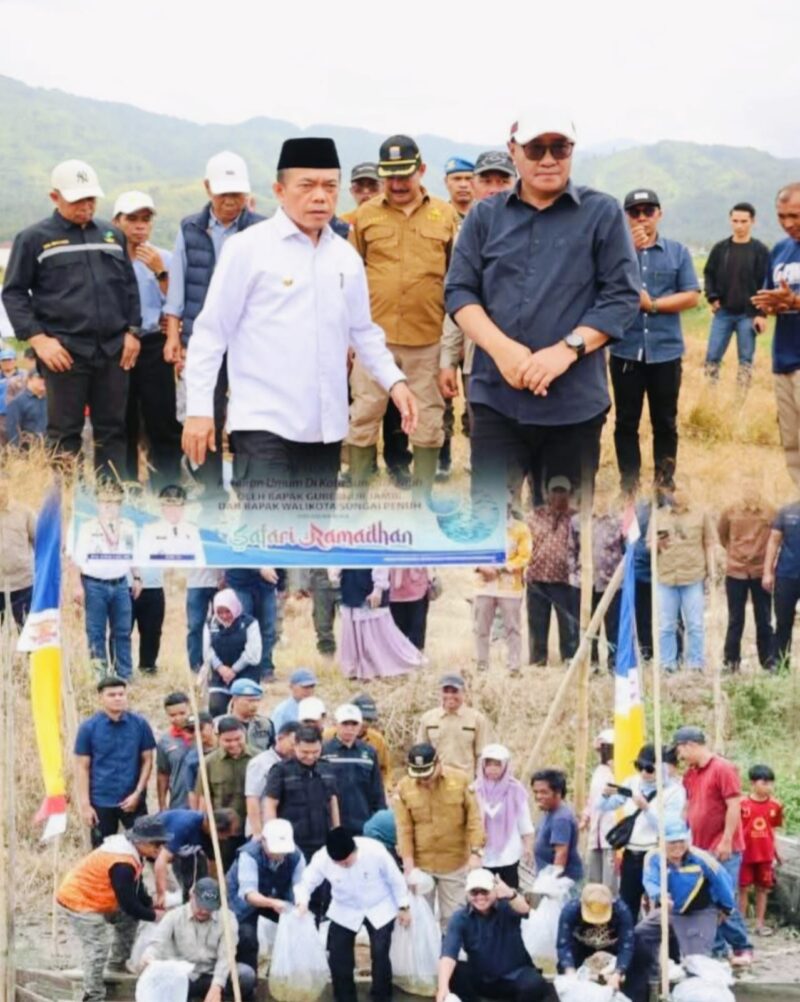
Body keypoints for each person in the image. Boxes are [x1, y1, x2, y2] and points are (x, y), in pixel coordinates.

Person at [182, 137, 415, 507]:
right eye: (307, 186)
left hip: (324, 425)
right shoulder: (247, 248)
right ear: (279, 190)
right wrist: (199, 410)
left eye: (329, 186)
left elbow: (363, 331)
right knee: (270, 536)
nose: (320, 197)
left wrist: (396, 382)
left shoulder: (345, 257)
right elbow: (211, 334)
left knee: (312, 540)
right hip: (262, 422)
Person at [444, 113, 639, 497]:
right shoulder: (485, 216)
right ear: (513, 151)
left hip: (573, 404)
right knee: (492, 529)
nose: (548, 159)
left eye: (560, 148)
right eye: (536, 149)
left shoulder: (602, 213)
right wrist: (503, 351)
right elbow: (459, 291)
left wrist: (566, 351)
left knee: (560, 537)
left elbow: (621, 296)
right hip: (496, 399)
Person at [2, 159, 141, 476]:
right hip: (64, 353)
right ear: (55, 197)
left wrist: (132, 331)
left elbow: (129, 287)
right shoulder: (34, 238)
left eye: (91, 198)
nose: (86, 206)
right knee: (64, 435)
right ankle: (67, 507)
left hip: (112, 351)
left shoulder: (111, 234)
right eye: (78, 199)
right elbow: (13, 293)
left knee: (112, 429)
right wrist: (38, 339)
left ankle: (109, 504)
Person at [347, 134, 457, 497]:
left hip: (426, 339)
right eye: (389, 176)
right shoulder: (365, 216)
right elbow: (351, 277)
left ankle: (422, 500)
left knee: (428, 417)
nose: (396, 184)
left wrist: (448, 353)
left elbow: (456, 279)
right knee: (364, 414)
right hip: (373, 339)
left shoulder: (446, 215)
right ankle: (360, 493)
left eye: (404, 176)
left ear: (421, 170)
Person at [164, 151, 264, 493]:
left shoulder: (262, 229)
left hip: (250, 339)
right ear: (208, 188)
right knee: (205, 408)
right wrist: (173, 335)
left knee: (250, 411)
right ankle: (210, 489)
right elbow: (177, 286)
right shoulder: (189, 228)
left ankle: (247, 482)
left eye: (237, 194)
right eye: (224, 194)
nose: (231, 201)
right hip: (202, 337)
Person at [609, 189, 700, 491]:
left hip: (665, 352)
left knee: (665, 422)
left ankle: (664, 484)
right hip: (625, 350)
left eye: (648, 211)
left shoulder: (678, 252)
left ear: (659, 214)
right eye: (635, 212)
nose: (642, 218)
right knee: (625, 422)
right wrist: (627, 252)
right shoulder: (613, 252)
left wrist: (653, 305)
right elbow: (600, 287)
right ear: (625, 217)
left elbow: (690, 296)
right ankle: (629, 486)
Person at [439, 151, 517, 444]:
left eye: (503, 180)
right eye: (486, 180)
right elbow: (457, 298)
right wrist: (447, 358)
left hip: (530, 359)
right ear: (474, 184)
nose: (494, 188)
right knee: (486, 441)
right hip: (479, 357)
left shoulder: (542, 226)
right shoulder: (466, 234)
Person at [56, 815, 168, 1002]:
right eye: (157, 845)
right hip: (79, 901)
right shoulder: (122, 863)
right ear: (141, 841)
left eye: (162, 844)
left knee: (128, 919)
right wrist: (154, 915)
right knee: (98, 947)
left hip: (99, 897)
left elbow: (136, 887)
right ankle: (93, 995)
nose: (160, 849)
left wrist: (149, 904)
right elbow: (128, 903)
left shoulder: (133, 852)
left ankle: (116, 964)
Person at [112, 190, 181, 487]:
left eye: (145, 219)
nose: (140, 226)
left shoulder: (163, 257)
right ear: (117, 221)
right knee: (122, 421)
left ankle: (168, 487)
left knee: (162, 420)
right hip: (118, 346)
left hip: (154, 345)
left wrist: (160, 271)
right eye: (132, 219)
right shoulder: (108, 260)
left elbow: (178, 303)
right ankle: (125, 487)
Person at [297, 827, 410, 1002]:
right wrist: (302, 901)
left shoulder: (375, 851)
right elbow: (306, 882)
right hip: (345, 908)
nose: (343, 866)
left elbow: (395, 879)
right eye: (339, 864)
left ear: (355, 850)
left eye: (347, 862)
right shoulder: (322, 858)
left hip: (378, 905)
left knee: (380, 953)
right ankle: (344, 998)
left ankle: (381, 997)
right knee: (338, 954)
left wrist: (403, 906)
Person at [673, 725, 753, 964]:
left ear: (690, 745)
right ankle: (716, 949)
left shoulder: (723, 768)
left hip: (722, 845)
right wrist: (679, 834)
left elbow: (733, 805)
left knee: (724, 897)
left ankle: (741, 947)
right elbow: (688, 805)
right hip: (699, 846)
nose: (680, 756)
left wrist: (727, 840)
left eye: (681, 750)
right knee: (705, 899)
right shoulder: (691, 773)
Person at [394, 744, 485, 928]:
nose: (424, 780)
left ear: (438, 763)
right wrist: (409, 866)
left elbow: (474, 819)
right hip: (422, 864)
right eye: (419, 775)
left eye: (427, 774)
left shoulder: (460, 780)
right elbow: (404, 829)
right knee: (421, 918)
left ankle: (452, 955)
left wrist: (476, 852)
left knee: (454, 917)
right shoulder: (404, 787)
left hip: (454, 862)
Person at [598, 743, 685, 921]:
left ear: (662, 768)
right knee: (627, 905)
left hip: (657, 854)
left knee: (661, 904)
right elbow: (605, 806)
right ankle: (628, 944)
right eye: (639, 767)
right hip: (632, 853)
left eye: (649, 768)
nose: (644, 773)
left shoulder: (674, 791)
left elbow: (669, 827)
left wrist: (646, 808)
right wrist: (605, 795)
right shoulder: (632, 782)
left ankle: (664, 945)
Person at [436, 867, 551, 1002]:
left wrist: (510, 894)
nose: (480, 897)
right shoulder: (460, 917)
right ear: (467, 893)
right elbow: (448, 953)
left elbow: (525, 909)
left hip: (515, 976)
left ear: (494, 891)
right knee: (454, 972)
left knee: (534, 984)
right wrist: (442, 987)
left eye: (484, 891)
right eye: (474, 892)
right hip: (482, 979)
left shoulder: (507, 906)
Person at [752, 183, 800, 489]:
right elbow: (774, 298)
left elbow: (791, 300)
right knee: (792, 442)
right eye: (781, 216)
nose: (788, 223)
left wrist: (794, 301)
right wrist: (769, 306)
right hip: (783, 358)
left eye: (795, 215)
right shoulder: (780, 250)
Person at [143, 877, 256, 1001]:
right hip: (184, 977)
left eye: (209, 907)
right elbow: (157, 944)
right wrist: (149, 956)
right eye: (200, 905)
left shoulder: (227, 918)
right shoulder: (174, 916)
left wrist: (216, 986)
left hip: (213, 974)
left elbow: (226, 956)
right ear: (192, 896)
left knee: (246, 975)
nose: (203, 911)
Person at [75, 675, 156, 846]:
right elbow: (82, 767)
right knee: (102, 852)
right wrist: (85, 805)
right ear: (101, 698)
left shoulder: (140, 724)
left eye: (121, 694)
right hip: (101, 801)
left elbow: (148, 760)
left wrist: (138, 793)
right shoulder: (88, 728)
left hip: (134, 800)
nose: (118, 698)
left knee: (148, 846)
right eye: (112, 695)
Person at [641, 820, 736, 958]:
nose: (677, 846)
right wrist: (660, 895)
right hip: (668, 910)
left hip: (700, 911)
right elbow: (650, 880)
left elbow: (722, 881)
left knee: (695, 959)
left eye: (681, 841)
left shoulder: (701, 859)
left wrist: (727, 907)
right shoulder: (653, 858)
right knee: (641, 935)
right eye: (672, 842)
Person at [72, 481, 137, 679]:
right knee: (96, 631)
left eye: (114, 502)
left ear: (120, 504)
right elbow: (75, 558)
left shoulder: (128, 526)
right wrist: (76, 585)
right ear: (97, 504)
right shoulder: (85, 527)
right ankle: (99, 675)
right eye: (104, 502)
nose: (109, 506)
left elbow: (132, 554)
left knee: (123, 631)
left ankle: (124, 673)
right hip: (94, 584)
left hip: (120, 583)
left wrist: (138, 577)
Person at [704, 202, 770, 388]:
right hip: (723, 312)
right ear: (730, 221)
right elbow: (709, 273)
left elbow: (766, 283)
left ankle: (739, 403)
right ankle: (710, 397)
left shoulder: (760, 251)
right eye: (735, 221)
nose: (739, 225)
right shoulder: (720, 249)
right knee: (712, 357)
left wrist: (761, 314)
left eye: (744, 221)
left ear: (752, 222)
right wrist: (712, 297)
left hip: (748, 314)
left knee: (745, 361)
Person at [227, 818, 305, 974]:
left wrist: (301, 904)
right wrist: (273, 903)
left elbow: (300, 887)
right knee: (246, 937)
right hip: (243, 902)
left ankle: (281, 973)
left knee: (296, 929)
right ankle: (248, 982)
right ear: (263, 841)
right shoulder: (249, 855)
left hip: (277, 897)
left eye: (283, 849)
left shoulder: (296, 857)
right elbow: (249, 894)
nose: (280, 853)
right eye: (276, 849)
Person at [655, 483, 716, 672]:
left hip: (693, 577)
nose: (678, 494)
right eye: (674, 490)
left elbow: (709, 543)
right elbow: (649, 545)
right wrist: (658, 543)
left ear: (689, 491)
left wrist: (712, 570)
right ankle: (668, 664)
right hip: (667, 577)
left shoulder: (701, 514)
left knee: (695, 624)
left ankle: (696, 663)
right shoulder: (659, 515)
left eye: (682, 489)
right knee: (666, 625)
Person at [718, 478, 775, 672]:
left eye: (754, 486)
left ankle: (768, 662)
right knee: (735, 619)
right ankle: (731, 662)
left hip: (760, 572)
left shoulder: (769, 511)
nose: (750, 490)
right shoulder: (730, 511)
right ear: (741, 488)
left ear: (759, 488)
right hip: (736, 572)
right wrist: (737, 554)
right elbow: (722, 536)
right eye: (746, 486)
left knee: (764, 619)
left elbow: (776, 538)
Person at [264, 724, 340, 861]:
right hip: (293, 842)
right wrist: (273, 836)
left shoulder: (327, 767)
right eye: (305, 752)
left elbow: (333, 800)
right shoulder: (281, 770)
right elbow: (270, 803)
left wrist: (337, 830)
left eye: (315, 752)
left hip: (323, 840)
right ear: (295, 746)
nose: (310, 757)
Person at [526, 477, 578, 666]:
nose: (558, 495)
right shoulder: (534, 516)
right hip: (536, 579)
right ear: (548, 493)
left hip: (564, 581)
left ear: (569, 494)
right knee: (537, 624)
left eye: (562, 491)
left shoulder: (575, 518)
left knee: (568, 624)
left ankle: (569, 660)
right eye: (555, 490)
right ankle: (537, 663)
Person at [336, 567, 425, 680]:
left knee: (376, 629)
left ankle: (380, 666)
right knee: (354, 624)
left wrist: (378, 588)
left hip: (368, 582)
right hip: (350, 582)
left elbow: (379, 560)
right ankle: (358, 668)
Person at [473, 507, 532, 674]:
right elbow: (471, 550)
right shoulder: (480, 526)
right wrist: (481, 567)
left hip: (510, 587)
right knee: (481, 628)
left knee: (512, 628)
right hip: (484, 585)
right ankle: (481, 665)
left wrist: (499, 569)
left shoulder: (521, 528)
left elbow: (524, 556)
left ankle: (514, 667)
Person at [195, 717, 256, 868]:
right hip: (223, 834)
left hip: (252, 830)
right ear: (218, 738)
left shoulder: (259, 759)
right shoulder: (208, 763)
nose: (234, 744)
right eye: (228, 740)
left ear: (245, 734)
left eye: (238, 739)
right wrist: (206, 830)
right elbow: (203, 799)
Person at [556, 884, 636, 996]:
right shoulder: (570, 911)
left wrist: (617, 974)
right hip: (580, 945)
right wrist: (570, 971)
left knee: (631, 968)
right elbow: (563, 945)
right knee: (564, 969)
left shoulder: (622, 911)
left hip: (612, 947)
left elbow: (627, 945)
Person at [474, 745, 534, 889]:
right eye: (488, 764)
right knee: (484, 893)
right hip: (483, 854)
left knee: (508, 895)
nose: (492, 768)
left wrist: (528, 847)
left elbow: (524, 822)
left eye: (497, 764)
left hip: (508, 853)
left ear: (505, 765)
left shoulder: (515, 790)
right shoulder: (474, 789)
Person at [152, 808, 239, 905]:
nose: (225, 839)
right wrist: (161, 895)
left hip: (182, 852)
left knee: (194, 884)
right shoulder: (185, 825)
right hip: (153, 848)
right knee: (163, 896)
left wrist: (219, 892)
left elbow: (213, 865)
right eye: (224, 836)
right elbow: (161, 861)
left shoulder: (211, 837)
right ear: (215, 828)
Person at [322, 704, 386, 834]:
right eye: (345, 724)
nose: (350, 728)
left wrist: (379, 819)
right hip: (332, 825)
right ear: (336, 724)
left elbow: (377, 791)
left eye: (354, 724)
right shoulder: (324, 751)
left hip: (364, 824)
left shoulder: (369, 752)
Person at [416, 673, 492, 776]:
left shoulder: (477, 719)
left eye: (454, 691)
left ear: (464, 693)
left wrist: (478, 782)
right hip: (436, 780)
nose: (450, 696)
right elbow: (420, 752)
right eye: (446, 691)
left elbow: (481, 754)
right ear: (440, 693)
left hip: (465, 781)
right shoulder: (428, 718)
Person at [203, 588, 262, 717]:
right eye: (220, 612)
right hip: (220, 676)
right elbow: (207, 650)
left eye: (227, 611)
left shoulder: (250, 623)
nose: (224, 616)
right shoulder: (210, 624)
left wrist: (234, 670)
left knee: (242, 710)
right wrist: (220, 668)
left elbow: (253, 654)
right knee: (216, 708)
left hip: (245, 674)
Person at [740, 764, 784, 936]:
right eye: (764, 783)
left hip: (765, 855)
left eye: (771, 783)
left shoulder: (776, 805)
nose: (768, 787)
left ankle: (759, 923)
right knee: (743, 888)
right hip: (745, 854)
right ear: (752, 783)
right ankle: (741, 924)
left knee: (763, 889)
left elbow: (773, 830)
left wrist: (777, 852)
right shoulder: (742, 804)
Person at [763, 496, 800, 670]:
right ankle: (779, 665)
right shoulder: (786, 511)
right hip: (787, 575)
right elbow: (773, 541)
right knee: (783, 622)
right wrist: (767, 572)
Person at [322, 692, 391, 785]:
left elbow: (384, 770)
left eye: (369, 720)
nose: (365, 723)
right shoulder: (327, 736)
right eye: (362, 718)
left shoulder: (377, 740)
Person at [244, 720, 299, 838]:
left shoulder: (297, 763)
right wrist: (257, 832)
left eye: (299, 745)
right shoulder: (260, 763)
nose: (295, 749)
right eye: (292, 744)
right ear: (279, 738)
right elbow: (253, 799)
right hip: (263, 830)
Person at [531, 768, 583, 882]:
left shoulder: (560, 818)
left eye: (544, 792)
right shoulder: (550, 812)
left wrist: (552, 884)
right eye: (536, 792)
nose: (538, 796)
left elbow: (561, 853)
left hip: (563, 882)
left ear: (558, 793)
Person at [136, 484, 206, 566]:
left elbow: (200, 561)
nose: (173, 510)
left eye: (177, 506)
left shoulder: (192, 530)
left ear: (183, 508)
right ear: (162, 508)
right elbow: (143, 561)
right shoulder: (150, 530)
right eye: (169, 506)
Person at [581, 730, 616, 891]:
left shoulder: (619, 772)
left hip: (612, 833)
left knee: (610, 882)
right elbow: (593, 799)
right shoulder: (599, 772)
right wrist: (586, 817)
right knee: (594, 881)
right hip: (596, 834)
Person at [0, 473, 35, 628]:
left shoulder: (24, 513)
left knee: (28, 632)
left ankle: (28, 653)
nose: (1, 492)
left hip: (23, 583)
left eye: (4, 488)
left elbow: (41, 543)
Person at [156, 692, 194, 810]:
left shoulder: (204, 733)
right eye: (172, 715)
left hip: (207, 803)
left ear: (191, 709)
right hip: (179, 803)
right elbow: (163, 773)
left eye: (182, 713)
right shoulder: (164, 741)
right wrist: (162, 804)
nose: (178, 718)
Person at [186, 568, 224, 673]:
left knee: (222, 625)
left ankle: (221, 664)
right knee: (195, 626)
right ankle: (196, 666)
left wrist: (225, 576)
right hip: (196, 583)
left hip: (220, 582)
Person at [388, 567, 432, 651]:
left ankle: (416, 658)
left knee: (417, 629)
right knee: (397, 632)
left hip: (418, 589)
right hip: (394, 590)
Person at [225, 678, 274, 752]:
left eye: (257, 701)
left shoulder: (265, 724)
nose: (255, 705)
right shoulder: (219, 725)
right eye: (250, 701)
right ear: (235, 699)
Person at [182, 712, 217, 810]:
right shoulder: (192, 758)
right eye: (191, 730)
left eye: (200, 728)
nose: (196, 733)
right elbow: (192, 791)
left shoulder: (228, 745)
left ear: (212, 725)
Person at [5, 369, 46, 447]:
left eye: (45, 378)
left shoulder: (50, 400)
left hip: (49, 450)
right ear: (29, 379)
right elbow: (13, 431)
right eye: (40, 378)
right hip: (29, 451)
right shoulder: (17, 402)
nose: (43, 381)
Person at [270, 667, 318, 732]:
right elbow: (274, 737)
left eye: (312, 686)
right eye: (305, 687)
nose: (309, 691)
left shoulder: (315, 708)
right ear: (291, 687)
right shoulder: (282, 712)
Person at [0, 346, 19, 444]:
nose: (7, 363)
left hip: (19, 416)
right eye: (3, 360)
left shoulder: (24, 376)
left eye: (9, 360)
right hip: (1, 416)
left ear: (15, 361)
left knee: (17, 442)